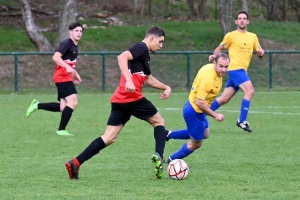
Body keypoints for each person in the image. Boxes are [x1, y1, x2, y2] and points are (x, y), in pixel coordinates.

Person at [65, 26, 171, 180]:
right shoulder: (141, 47)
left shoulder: (144, 54)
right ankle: (159, 157)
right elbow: (121, 57)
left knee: (109, 137)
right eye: (160, 42)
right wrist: (128, 80)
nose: (161, 46)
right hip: (132, 97)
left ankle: (75, 163)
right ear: (152, 38)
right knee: (159, 121)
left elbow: (147, 78)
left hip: (120, 99)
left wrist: (165, 87)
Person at [165, 53, 229, 163]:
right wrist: (215, 115)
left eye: (226, 66)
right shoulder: (209, 79)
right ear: (215, 63)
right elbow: (199, 102)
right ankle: (172, 160)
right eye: (221, 66)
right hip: (195, 111)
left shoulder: (210, 68)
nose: (223, 69)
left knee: (205, 134)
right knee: (196, 143)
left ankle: (168, 134)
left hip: (196, 109)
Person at [208, 11, 265, 132]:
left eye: (244, 18)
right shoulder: (231, 35)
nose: (242, 20)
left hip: (242, 71)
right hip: (234, 69)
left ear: (248, 21)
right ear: (236, 21)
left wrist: (261, 53)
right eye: (240, 18)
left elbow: (259, 50)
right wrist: (215, 58)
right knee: (250, 91)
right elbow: (219, 48)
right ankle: (242, 120)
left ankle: (201, 112)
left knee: (224, 99)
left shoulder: (253, 36)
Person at [26, 22, 83, 136]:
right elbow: (56, 57)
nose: (79, 33)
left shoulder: (74, 46)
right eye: (76, 31)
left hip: (65, 76)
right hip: (62, 77)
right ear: (70, 32)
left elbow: (68, 62)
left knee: (63, 107)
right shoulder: (67, 43)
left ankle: (37, 105)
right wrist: (67, 68)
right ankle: (61, 130)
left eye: (81, 31)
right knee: (73, 102)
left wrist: (75, 73)